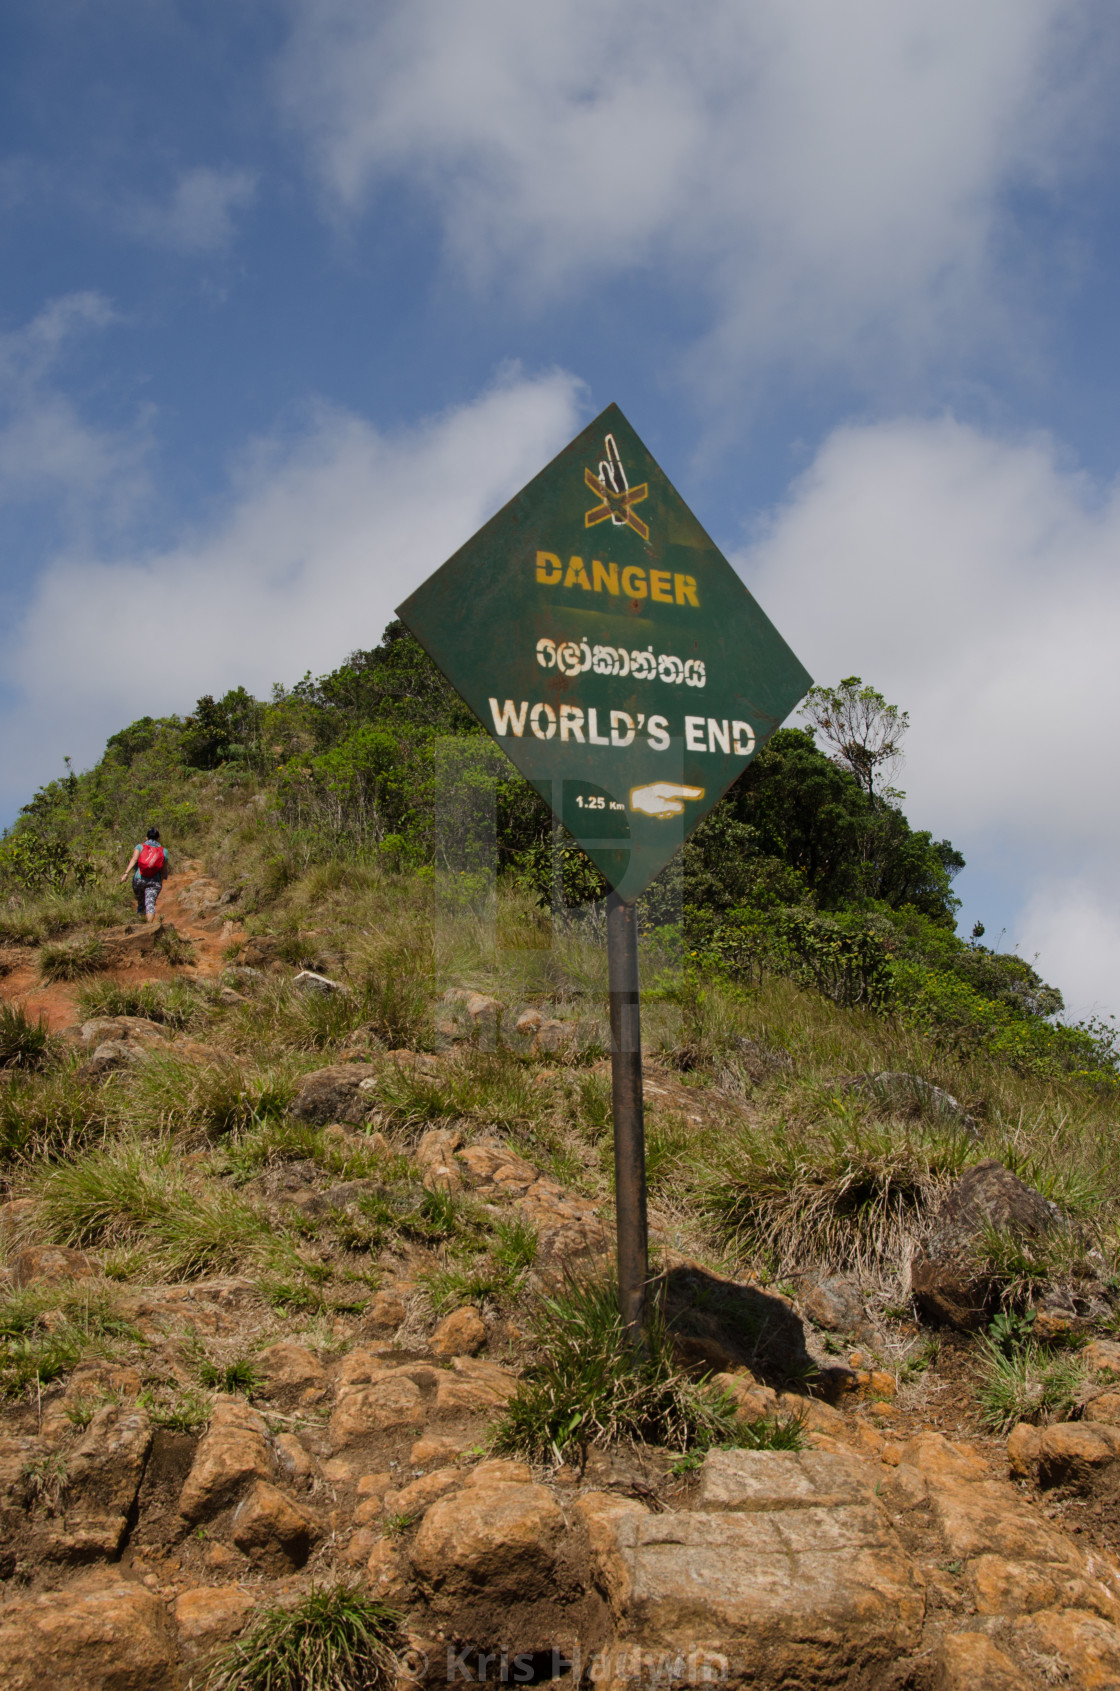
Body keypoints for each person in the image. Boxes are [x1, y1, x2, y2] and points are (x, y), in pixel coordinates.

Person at [120, 827, 170, 922]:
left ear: (146, 838)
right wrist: (161, 880)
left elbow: (134, 860)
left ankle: (139, 923)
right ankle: (149, 928)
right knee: (150, 904)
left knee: (141, 903)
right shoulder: (164, 851)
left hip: (139, 880)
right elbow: (164, 869)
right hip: (154, 881)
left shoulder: (140, 847)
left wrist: (126, 873)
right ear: (158, 838)